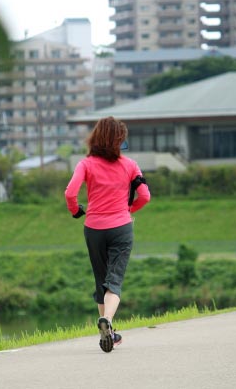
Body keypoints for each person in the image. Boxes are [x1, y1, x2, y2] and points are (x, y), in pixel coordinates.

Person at [65, 116, 151, 353]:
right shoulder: (130, 165)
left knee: (100, 280)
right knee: (114, 281)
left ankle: (109, 334)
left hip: (93, 228)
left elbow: (70, 193)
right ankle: (108, 323)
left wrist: (76, 212)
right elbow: (145, 196)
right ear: (118, 141)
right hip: (121, 227)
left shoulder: (85, 164)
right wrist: (128, 209)